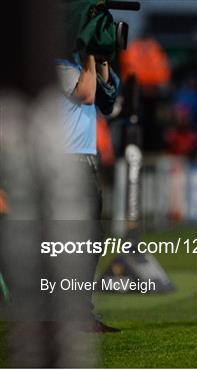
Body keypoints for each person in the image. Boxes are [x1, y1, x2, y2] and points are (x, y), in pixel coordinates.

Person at [56, 51, 120, 332]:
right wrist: (90, 58)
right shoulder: (59, 64)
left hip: (87, 157)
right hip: (67, 160)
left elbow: (107, 97)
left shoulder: (81, 63)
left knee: (92, 239)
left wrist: (102, 60)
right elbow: (86, 94)